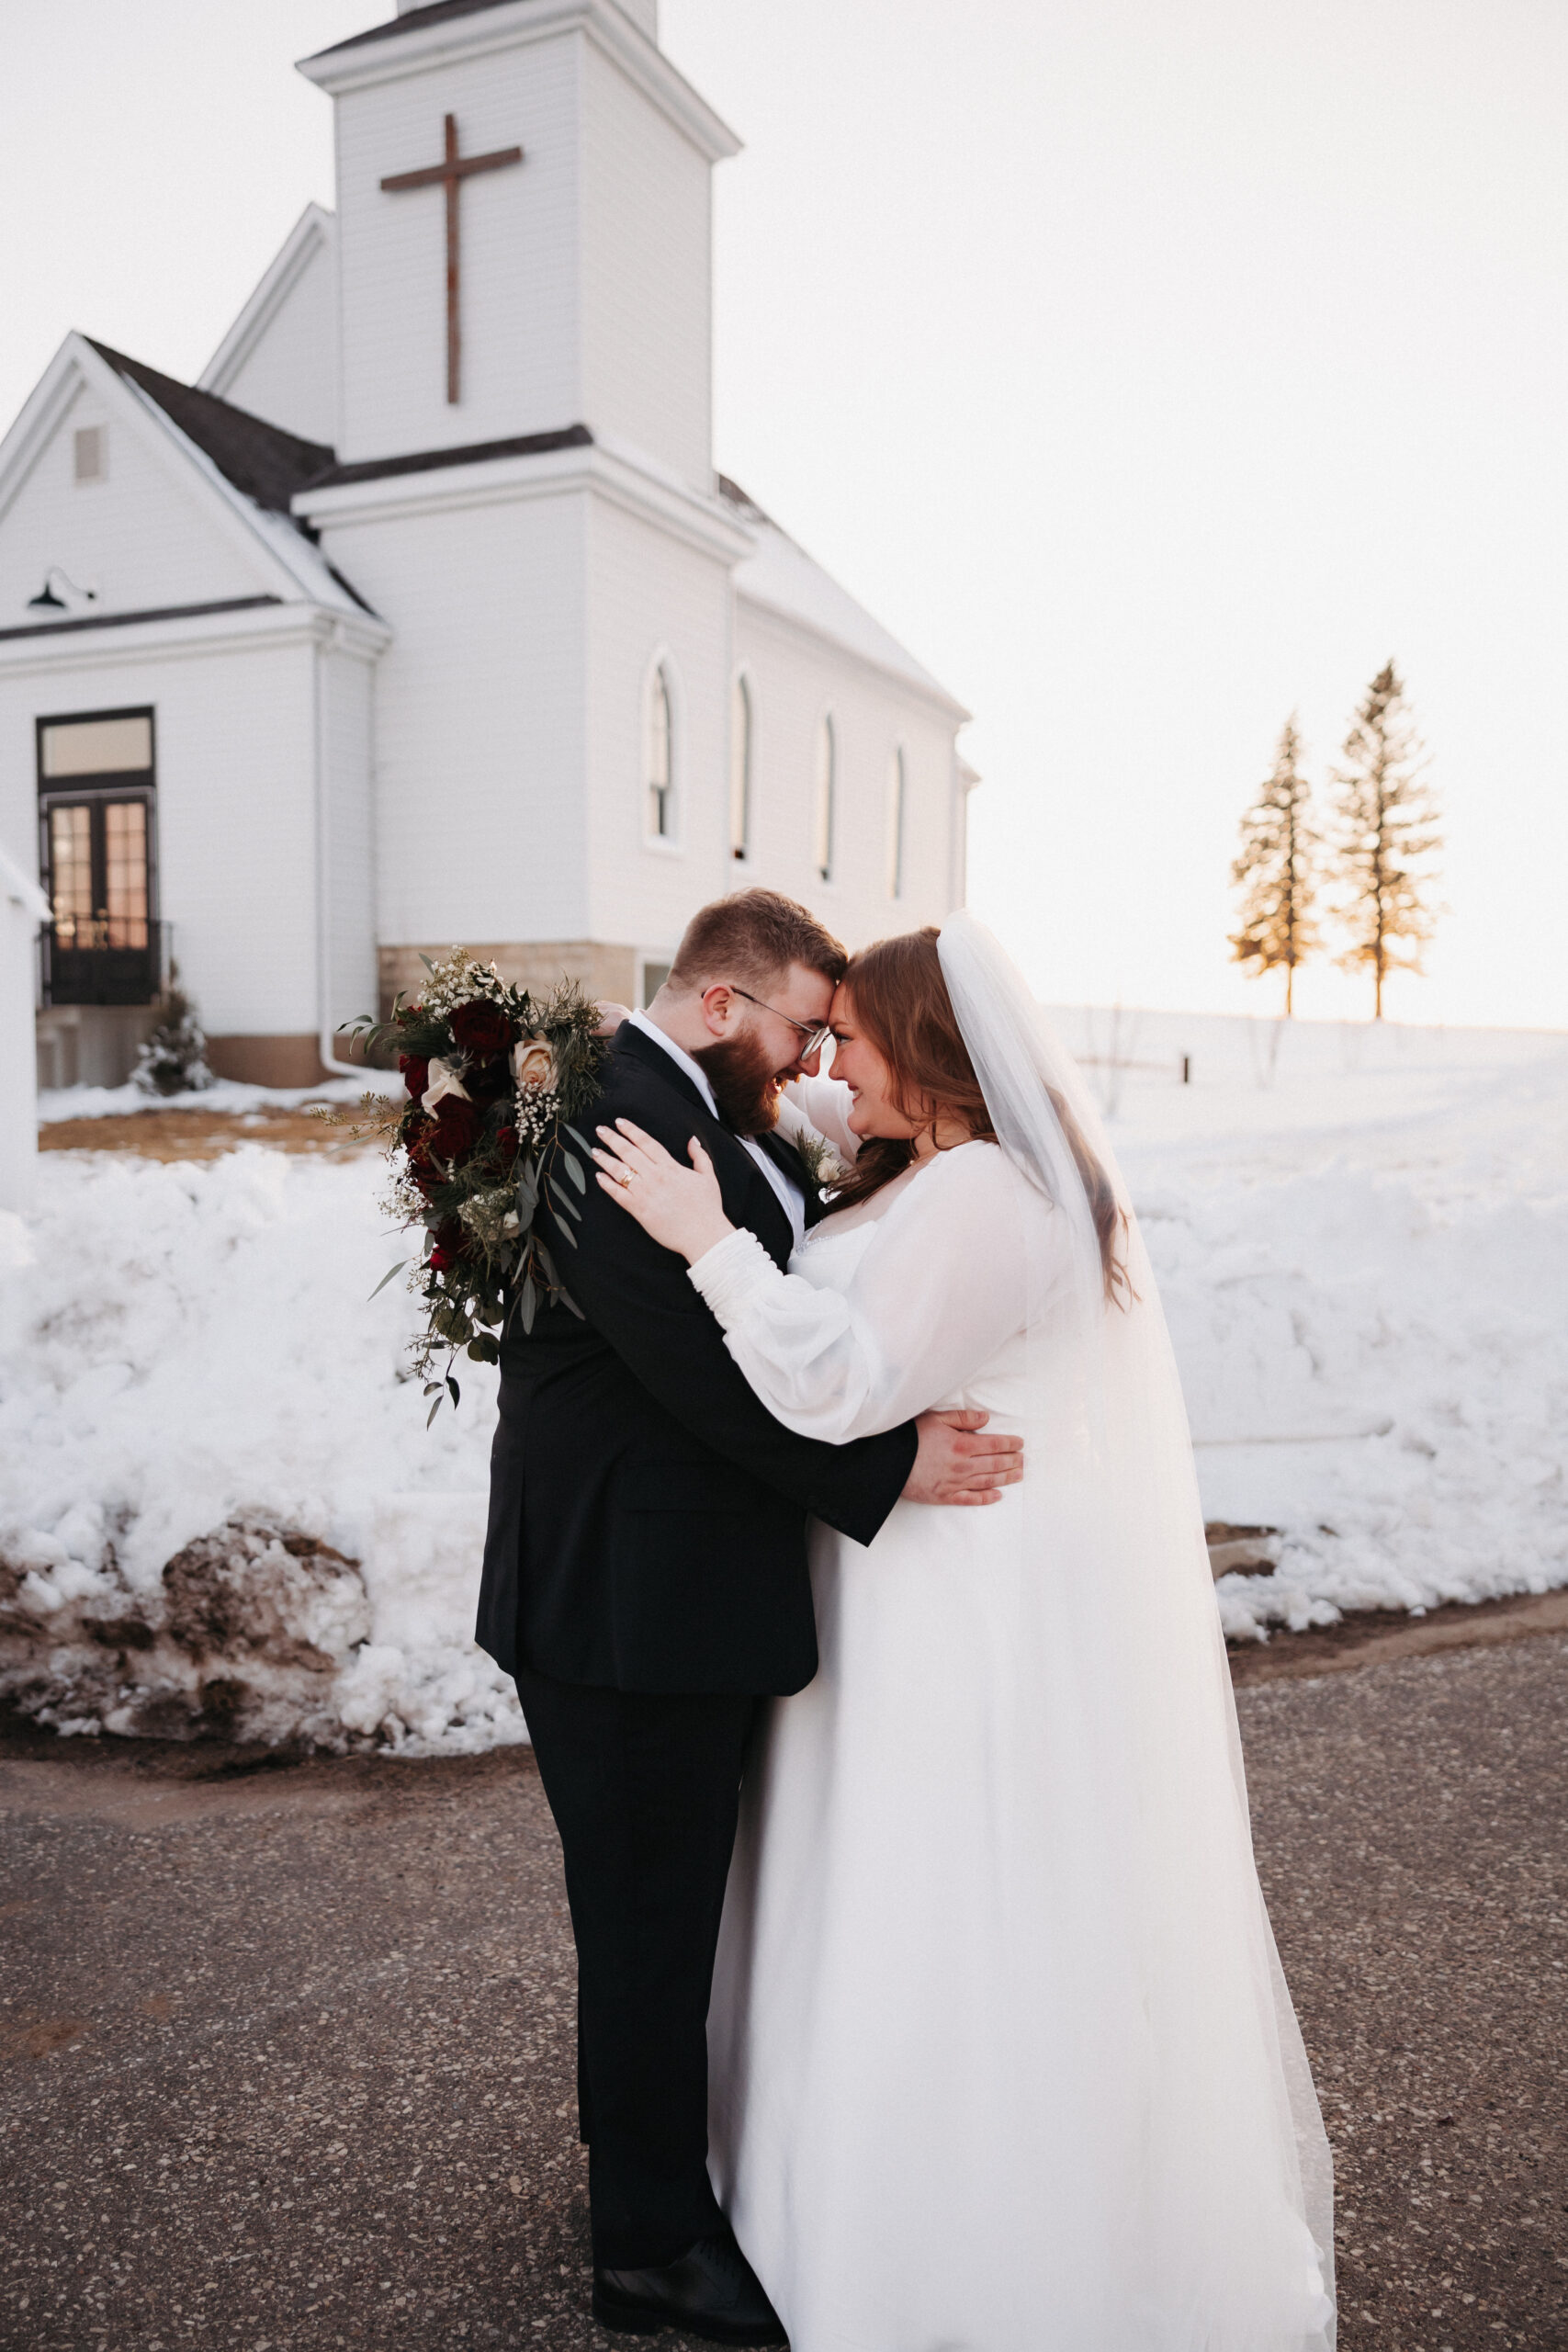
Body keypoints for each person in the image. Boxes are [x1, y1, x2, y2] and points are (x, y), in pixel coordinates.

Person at [591, 912, 1337, 2352]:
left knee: (942, 1903)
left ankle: (951, 2243)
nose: (829, 1065)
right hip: (891, 1595)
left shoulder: (991, 1196)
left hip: (958, 1615)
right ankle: (797, 2190)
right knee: (851, 1886)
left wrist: (706, 1248)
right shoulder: (932, 1167)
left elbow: (845, 1383)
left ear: (929, 1051)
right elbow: (795, 1114)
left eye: (852, 1041)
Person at [474, 889, 1024, 2345]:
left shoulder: (698, 1105)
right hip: (621, 1604)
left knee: (671, 1918)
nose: (807, 1068)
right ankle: (647, 2246)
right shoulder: (615, 1120)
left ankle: (658, 2173)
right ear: (723, 1005)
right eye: (798, 1030)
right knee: (650, 1928)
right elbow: (694, 1375)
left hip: (670, 1597)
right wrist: (889, 1463)